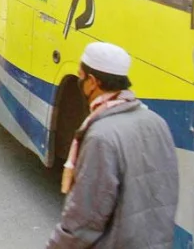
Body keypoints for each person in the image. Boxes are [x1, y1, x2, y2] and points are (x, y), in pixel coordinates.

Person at [47, 42, 179, 248]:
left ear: (91, 82)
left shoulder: (101, 136)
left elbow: (85, 219)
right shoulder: (156, 121)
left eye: (80, 77)